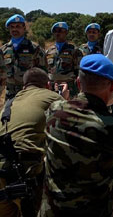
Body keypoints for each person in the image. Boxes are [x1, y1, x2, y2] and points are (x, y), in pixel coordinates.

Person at [38, 54, 113, 217]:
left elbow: (71, 107)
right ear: (112, 87)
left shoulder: (55, 110)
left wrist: (66, 99)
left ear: (79, 83)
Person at [0, 68, 68, 217]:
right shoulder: (51, 96)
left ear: (24, 86)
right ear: (48, 85)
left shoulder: (11, 101)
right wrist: (64, 98)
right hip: (24, 170)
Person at [0, 14, 47, 100]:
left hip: (29, 94)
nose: (14, 29)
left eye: (18, 26)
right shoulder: (3, 50)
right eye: (12, 27)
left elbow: (43, 72)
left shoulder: (35, 48)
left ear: (24, 28)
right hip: (9, 94)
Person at [46, 22, 83, 98]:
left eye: (60, 31)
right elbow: (46, 69)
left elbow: (79, 71)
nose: (57, 33)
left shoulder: (74, 51)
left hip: (70, 88)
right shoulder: (49, 51)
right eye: (55, 31)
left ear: (66, 32)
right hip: (52, 88)